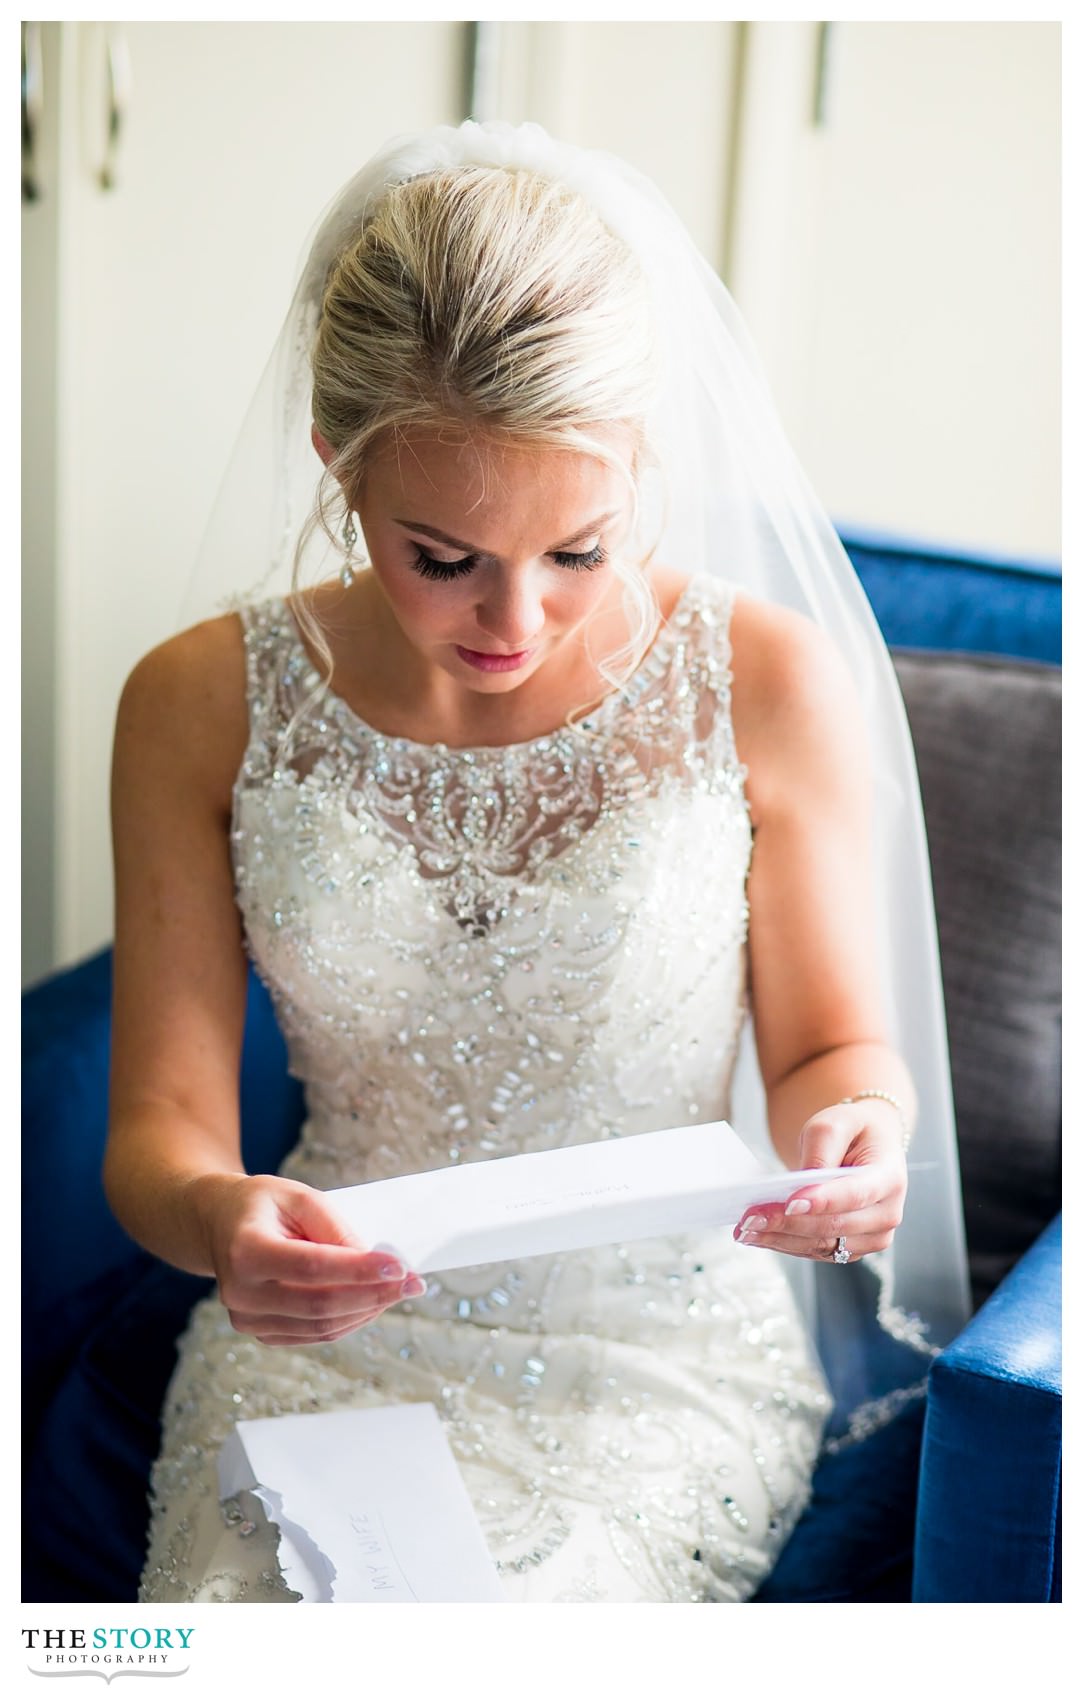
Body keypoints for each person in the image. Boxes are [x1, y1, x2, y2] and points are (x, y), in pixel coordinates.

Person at [104, 121, 968, 1605]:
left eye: (581, 548)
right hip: (323, 1344)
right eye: (442, 555)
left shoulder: (765, 680)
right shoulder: (196, 700)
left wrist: (859, 1140)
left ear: (644, 464)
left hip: (656, 1353)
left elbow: (834, 1050)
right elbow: (159, 1131)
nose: (515, 620)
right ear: (339, 467)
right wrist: (219, 1221)